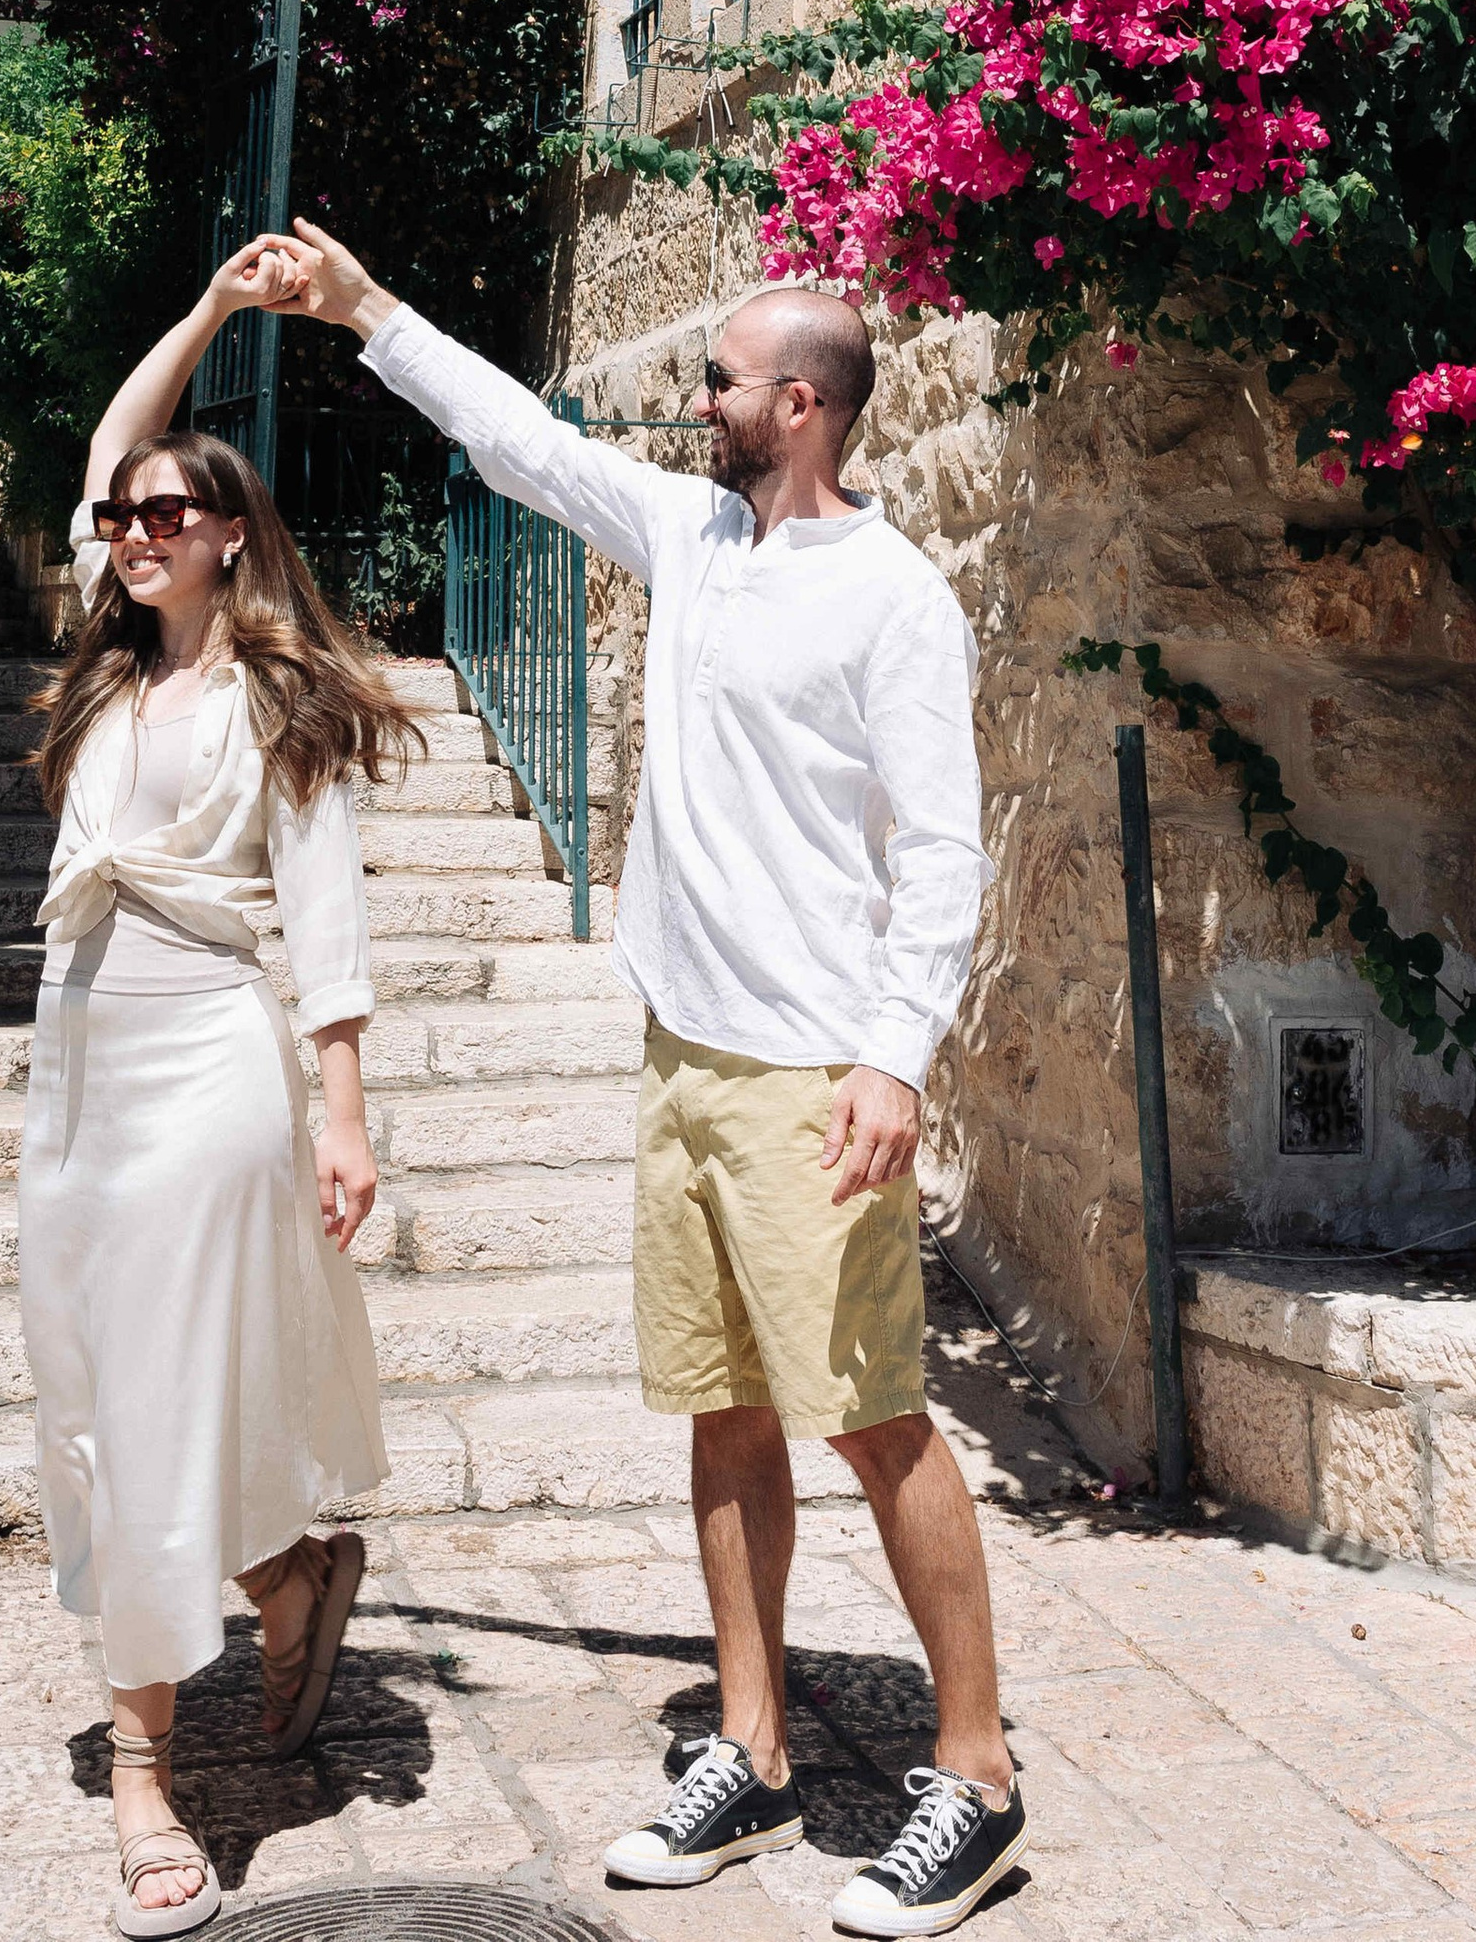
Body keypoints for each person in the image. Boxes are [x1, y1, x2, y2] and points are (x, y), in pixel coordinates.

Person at [264, 217, 1024, 1941]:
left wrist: (897, 1058)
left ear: (806, 407)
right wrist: (366, 307)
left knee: (878, 1421)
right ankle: (751, 1753)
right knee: (724, 1410)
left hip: (814, 1074)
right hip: (682, 1051)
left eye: (725, 382)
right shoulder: (692, 534)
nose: (698, 402)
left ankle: (972, 1775)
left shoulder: (894, 600)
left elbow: (945, 852)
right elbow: (519, 441)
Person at [16, 247, 413, 1936]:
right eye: (128, 520)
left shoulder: (278, 694)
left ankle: (147, 1778)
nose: (141, 532)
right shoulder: (106, 671)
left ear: (234, 534)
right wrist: (207, 314)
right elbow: (117, 447)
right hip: (81, 1050)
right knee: (100, 1383)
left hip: (211, 1057)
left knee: (165, 1393)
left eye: (175, 515)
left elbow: (322, 918)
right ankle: (283, 1573)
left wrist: (343, 1112)